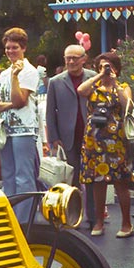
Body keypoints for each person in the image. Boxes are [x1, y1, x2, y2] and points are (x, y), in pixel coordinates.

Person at [76, 53, 134, 238]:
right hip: (94, 140)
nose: (106, 69)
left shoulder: (123, 87)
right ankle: (99, 221)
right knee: (97, 182)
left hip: (115, 140)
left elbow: (127, 106)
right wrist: (100, 75)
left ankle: (126, 224)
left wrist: (115, 83)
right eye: (102, 66)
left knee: (120, 182)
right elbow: (81, 90)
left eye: (109, 66)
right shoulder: (94, 86)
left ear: (117, 68)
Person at [45, 45, 98, 228]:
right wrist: (53, 137)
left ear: (84, 59)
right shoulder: (55, 81)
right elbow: (50, 112)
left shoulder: (94, 78)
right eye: (68, 58)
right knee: (71, 179)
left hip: (91, 136)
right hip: (68, 138)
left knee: (91, 179)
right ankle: (71, 216)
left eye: (75, 58)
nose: (71, 62)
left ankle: (93, 218)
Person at [0, 28, 41, 215]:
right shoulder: (3, 73)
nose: (11, 51)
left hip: (24, 130)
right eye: (8, 48)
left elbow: (20, 101)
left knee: (23, 177)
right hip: (6, 129)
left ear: (24, 48)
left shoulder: (29, 71)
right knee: (8, 176)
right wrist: (7, 105)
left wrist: (14, 78)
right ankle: (11, 215)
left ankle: (25, 219)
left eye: (15, 47)